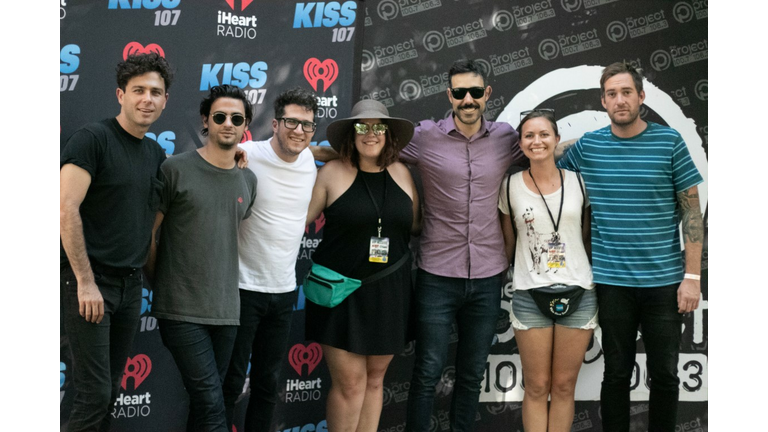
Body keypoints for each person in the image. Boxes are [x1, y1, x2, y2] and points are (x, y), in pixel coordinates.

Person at [557, 62, 704, 432]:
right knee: (616, 374)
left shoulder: (669, 142)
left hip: (664, 284)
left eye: (626, 92)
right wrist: (561, 141)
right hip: (612, 283)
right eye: (612, 94)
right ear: (603, 101)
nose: (619, 100)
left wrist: (692, 277)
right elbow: (545, 157)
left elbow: (692, 213)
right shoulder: (590, 147)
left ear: (641, 96)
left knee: (666, 376)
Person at [402, 59, 524, 432]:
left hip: (488, 276)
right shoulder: (424, 136)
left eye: (475, 92)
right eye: (459, 93)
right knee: (426, 371)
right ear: (449, 95)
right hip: (436, 275)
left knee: (472, 374)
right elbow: (370, 149)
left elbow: (545, 149)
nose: (467, 99)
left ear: (486, 94)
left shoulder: (507, 137)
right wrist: (307, 154)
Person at [60, 53, 173, 432]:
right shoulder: (94, 139)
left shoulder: (156, 153)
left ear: (165, 100)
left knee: (107, 393)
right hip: (89, 283)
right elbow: (65, 208)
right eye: (138, 90)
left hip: (129, 288)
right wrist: (85, 282)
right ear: (120, 94)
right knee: (93, 394)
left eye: (156, 92)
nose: (148, 99)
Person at [147, 85, 258, 432]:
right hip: (180, 309)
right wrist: (162, 283)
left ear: (245, 126)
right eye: (220, 116)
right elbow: (149, 236)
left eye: (236, 118)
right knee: (211, 404)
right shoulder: (174, 169)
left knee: (208, 403)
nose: (228, 123)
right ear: (206, 122)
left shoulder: (248, 179)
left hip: (227, 310)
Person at [305, 99, 420, 432]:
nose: (371, 134)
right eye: (361, 127)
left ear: (388, 133)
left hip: (391, 291)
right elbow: (297, 222)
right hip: (341, 292)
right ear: (350, 134)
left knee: (374, 379)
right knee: (351, 383)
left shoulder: (402, 172)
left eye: (378, 126)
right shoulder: (331, 173)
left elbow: (415, 225)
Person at [221, 87, 319, 432]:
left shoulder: (309, 157)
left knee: (267, 385)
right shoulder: (247, 152)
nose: (298, 131)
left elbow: (324, 150)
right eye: (291, 122)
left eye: (307, 125)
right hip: (241, 290)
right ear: (275, 124)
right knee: (229, 384)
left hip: (283, 293)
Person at [498, 110, 596, 432]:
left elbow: (584, 237)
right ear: (521, 143)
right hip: (529, 294)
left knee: (565, 387)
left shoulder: (579, 182)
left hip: (579, 292)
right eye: (529, 135)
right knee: (537, 386)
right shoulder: (509, 186)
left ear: (556, 139)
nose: (536, 141)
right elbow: (509, 245)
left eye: (544, 134)